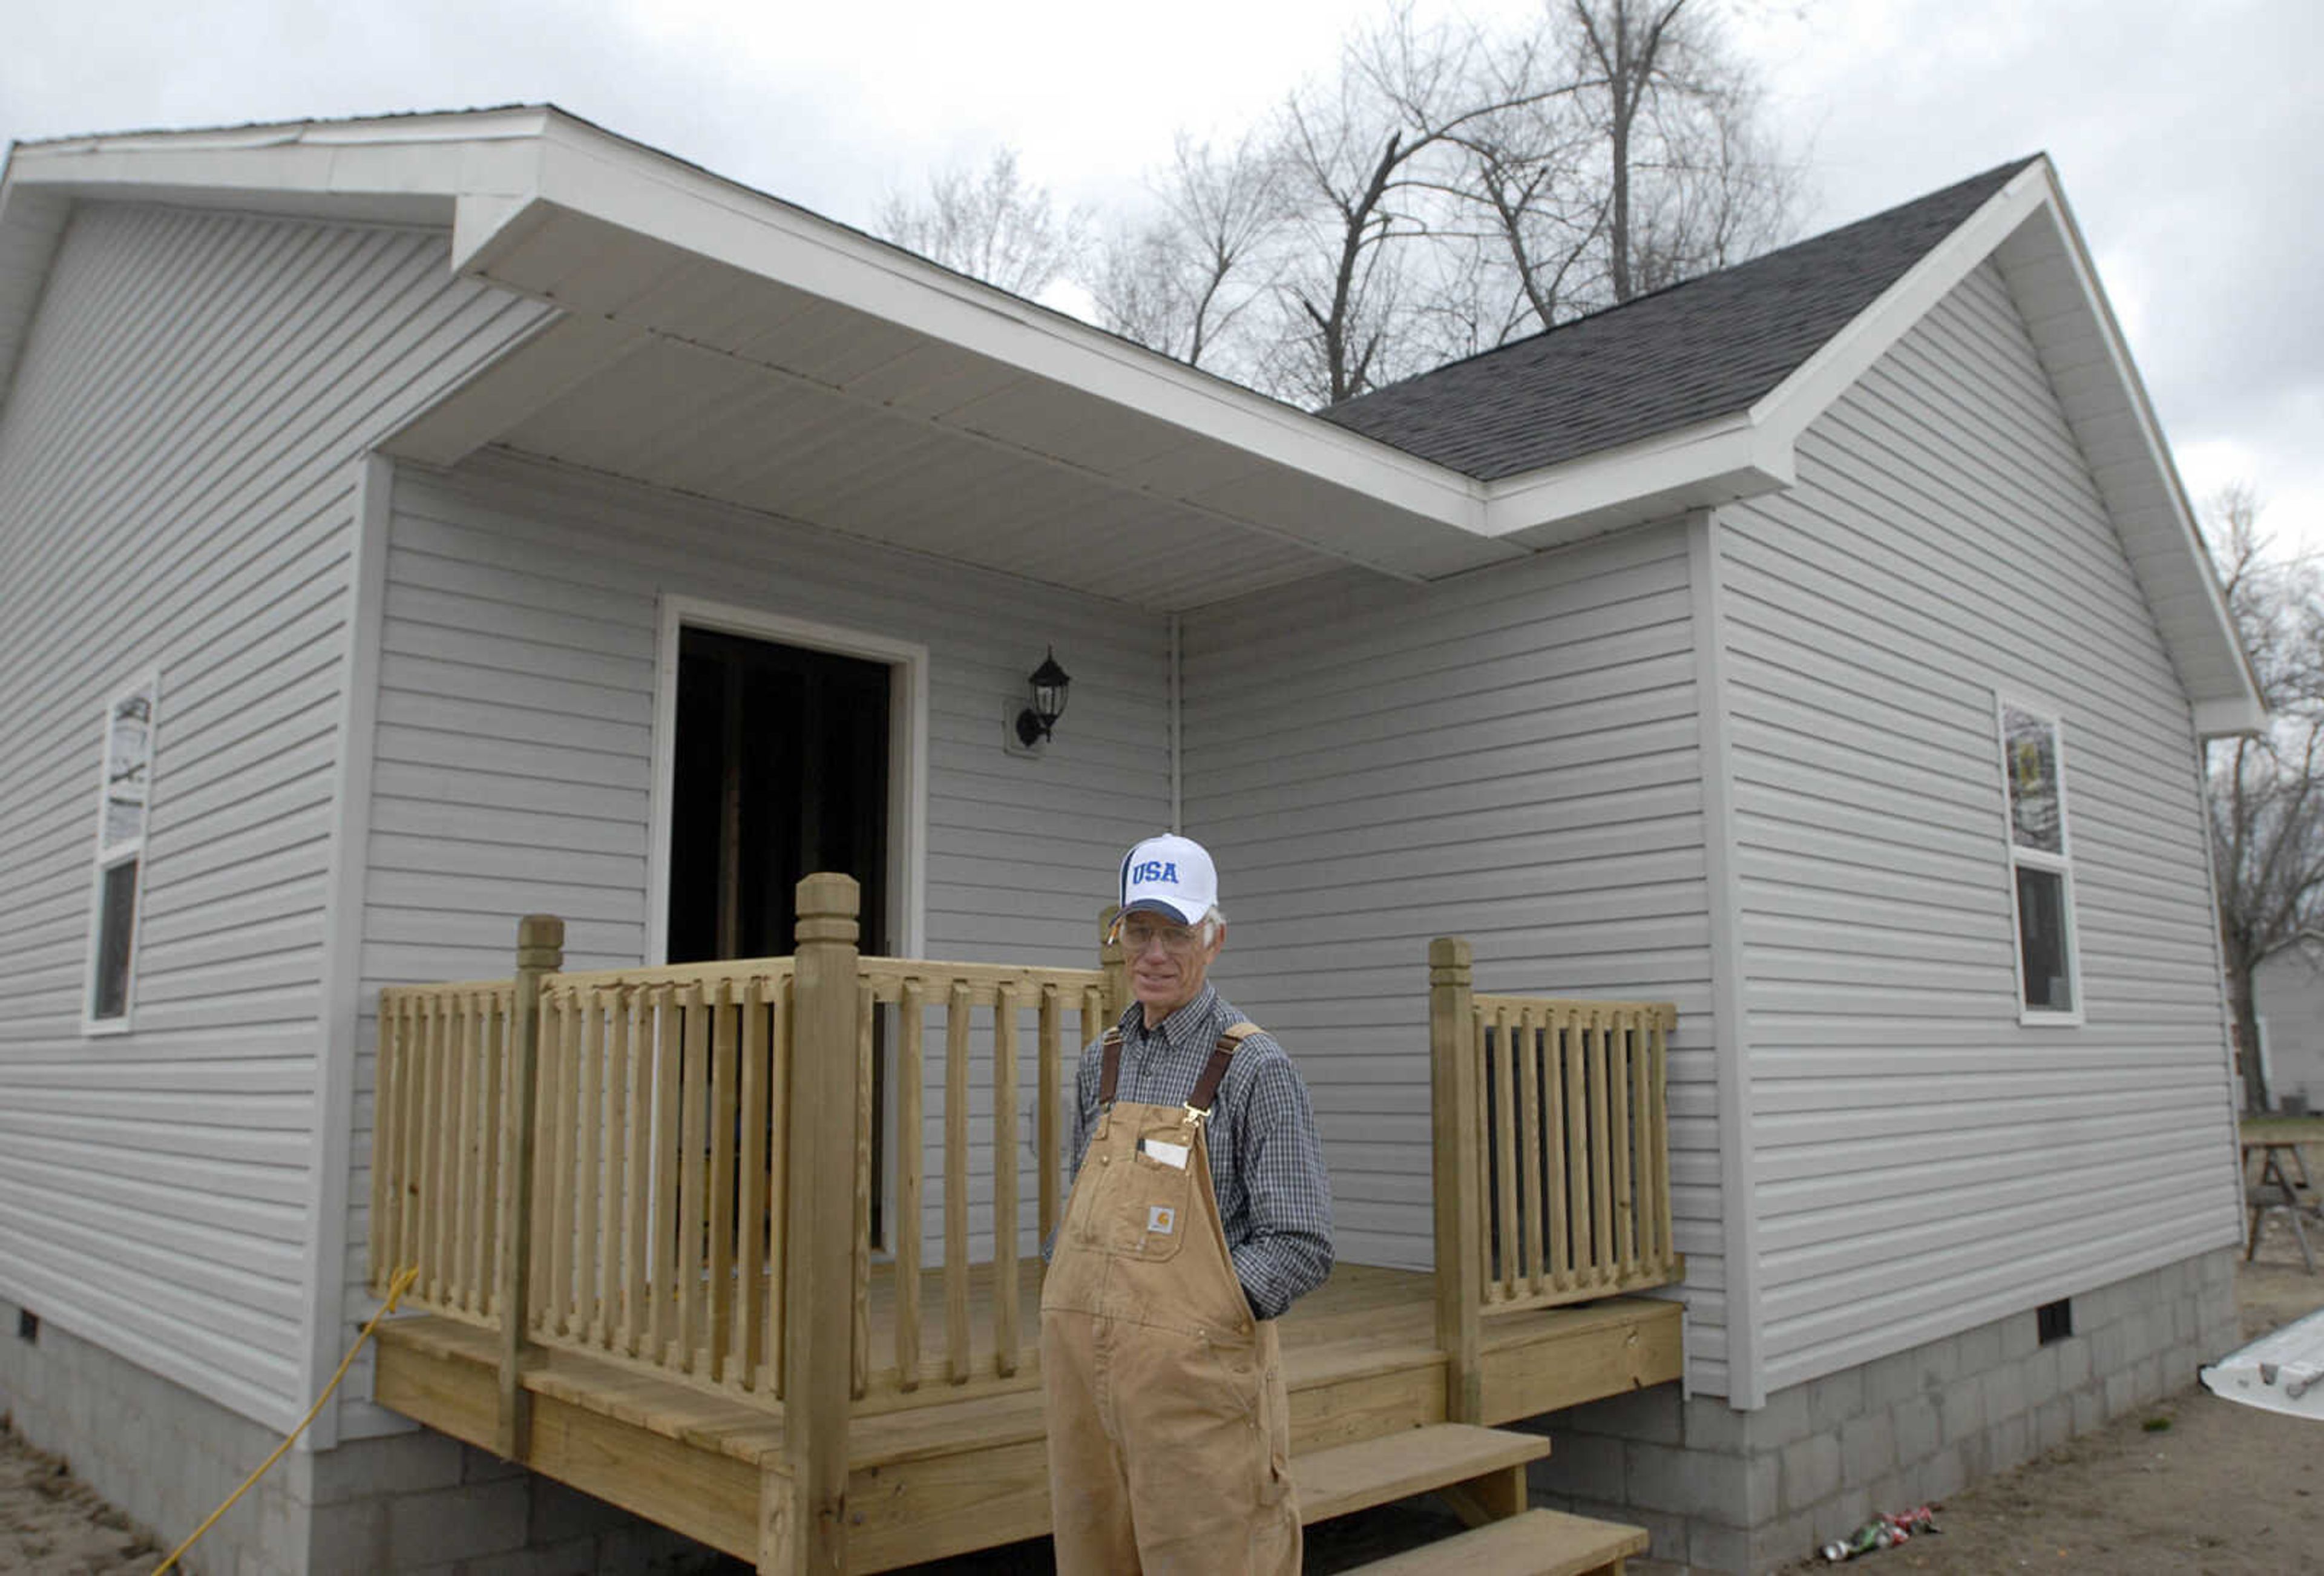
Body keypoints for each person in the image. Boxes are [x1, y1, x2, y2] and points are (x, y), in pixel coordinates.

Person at [1040, 833, 1334, 1575]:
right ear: (1120, 936)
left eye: (1177, 932)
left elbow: (1299, 1241)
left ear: (1215, 938)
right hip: (1088, 1400)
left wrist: (1202, 1326)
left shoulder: (1255, 1067)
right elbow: (1082, 1207)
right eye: (1140, 930)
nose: (1155, 952)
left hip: (1200, 1406)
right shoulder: (1098, 1063)